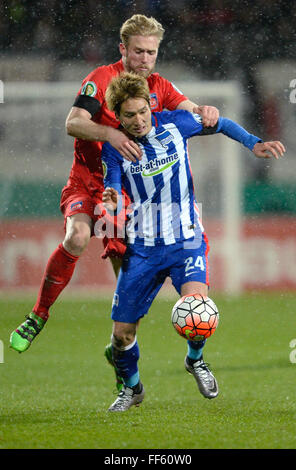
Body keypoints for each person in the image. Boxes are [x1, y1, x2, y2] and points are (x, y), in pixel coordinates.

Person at [9, 14, 219, 355]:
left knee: (129, 289)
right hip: (86, 181)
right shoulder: (100, 79)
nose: (145, 60)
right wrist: (110, 133)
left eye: (151, 52)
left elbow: (192, 109)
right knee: (76, 236)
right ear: (123, 49)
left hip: (124, 195)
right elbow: (73, 123)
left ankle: (122, 365)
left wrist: (206, 112)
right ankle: (38, 314)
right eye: (138, 51)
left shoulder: (159, 86)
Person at [100, 72, 285, 412]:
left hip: (186, 241)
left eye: (143, 111)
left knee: (198, 310)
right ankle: (132, 388)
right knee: (121, 336)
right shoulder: (115, 148)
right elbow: (111, 187)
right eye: (130, 115)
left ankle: (195, 360)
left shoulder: (176, 123)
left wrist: (253, 142)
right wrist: (110, 198)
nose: (139, 120)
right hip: (142, 248)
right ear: (118, 116)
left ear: (150, 106)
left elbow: (222, 123)